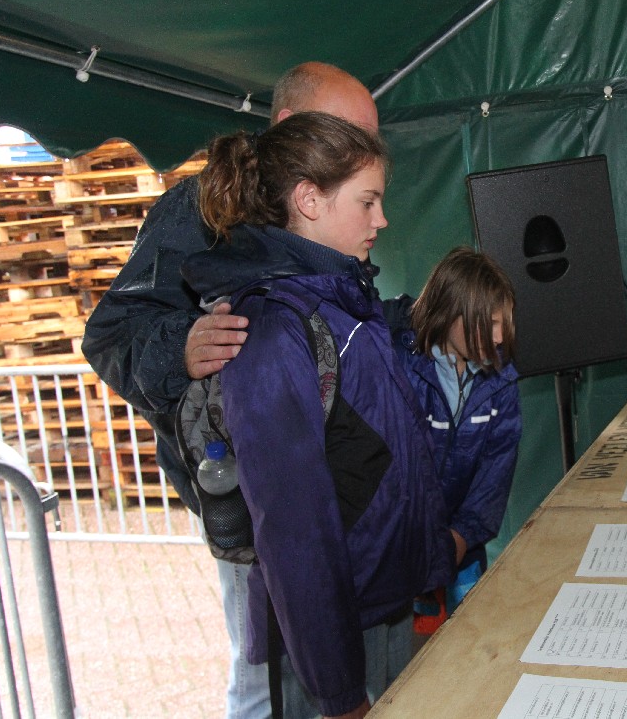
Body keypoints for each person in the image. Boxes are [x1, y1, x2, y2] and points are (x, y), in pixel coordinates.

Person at [81, 62, 379, 718]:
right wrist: (181, 346)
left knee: (327, 657)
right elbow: (110, 334)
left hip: (327, 488)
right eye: (347, 133)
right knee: (264, 676)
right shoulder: (197, 207)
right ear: (288, 125)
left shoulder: (331, 209)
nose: (361, 153)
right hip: (249, 497)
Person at [181, 111, 455, 719]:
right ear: (309, 200)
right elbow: (292, 527)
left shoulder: (342, 299)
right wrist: (337, 691)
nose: (382, 220)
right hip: (330, 630)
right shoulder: (272, 330)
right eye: (368, 202)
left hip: (379, 595)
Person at [385, 247, 522, 625]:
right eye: (490, 323)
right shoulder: (397, 369)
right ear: (451, 314)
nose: (500, 337)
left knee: (470, 637)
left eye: (505, 323)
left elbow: (496, 471)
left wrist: (462, 536)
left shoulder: (501, 381)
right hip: (402, 550)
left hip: (464, 546)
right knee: (414, 649)